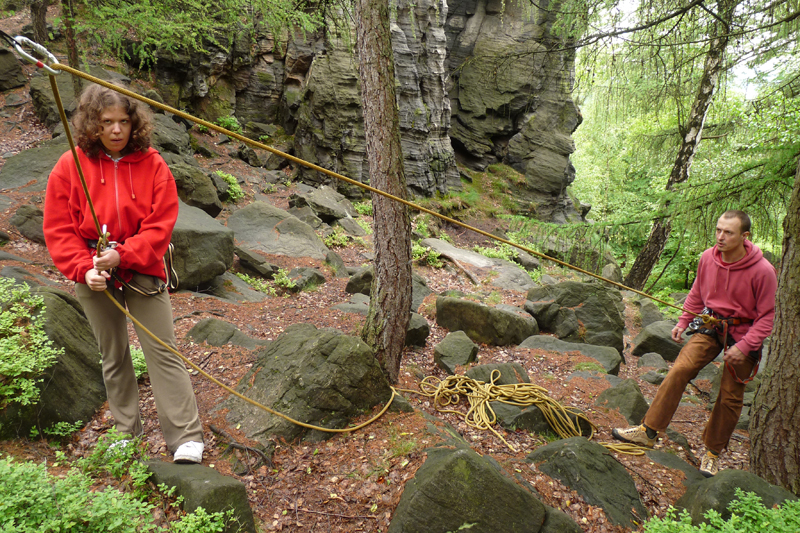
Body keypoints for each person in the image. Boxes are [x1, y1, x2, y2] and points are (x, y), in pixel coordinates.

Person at [43, 84, 204, 463]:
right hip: (95, 273)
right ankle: (125, 432)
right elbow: (59, 228)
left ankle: (185, 437)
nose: (116, 130)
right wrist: (84, 270)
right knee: (112, 354)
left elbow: (161, 224)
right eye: (106, 122)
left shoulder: (153, 164)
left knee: (162, 350)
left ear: (135, 125)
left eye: (123, 122)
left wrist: (125, 255)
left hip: (142, 270)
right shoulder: (71, 164)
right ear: (92, 125)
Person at [612, 210, 777, 477]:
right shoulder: (707, 258)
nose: (720, 237)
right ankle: (648, 431)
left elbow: (767, 316)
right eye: (718, 230)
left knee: (730, 395)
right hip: (711, 324)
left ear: (745, 236)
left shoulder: (763, 271)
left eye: (728, 232)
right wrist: (682, 321)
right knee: (679, 370)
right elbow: (698, 292)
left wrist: (745, 346)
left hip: (743, 333)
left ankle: (712, 452)